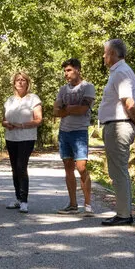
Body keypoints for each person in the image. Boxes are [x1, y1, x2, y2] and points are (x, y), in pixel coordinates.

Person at [98, 39, 135, 226]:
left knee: (118, 171)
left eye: (105, 52)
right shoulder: (122, 72)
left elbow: (129, 102)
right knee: (117, 170)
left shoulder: (121, 72)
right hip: (117, 124)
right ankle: (122, 212)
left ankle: (124, 214)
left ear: (112, 53)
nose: (103, 56)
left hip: (119, 125)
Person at [53, 58, 96, 215]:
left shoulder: (87, 87)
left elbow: (83, 109)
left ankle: (88, 205)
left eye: (69, 70)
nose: (66, 74)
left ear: (77, 69)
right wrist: (70, 109)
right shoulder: (63, 90)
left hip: (80, 131)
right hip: (64, 132)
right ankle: (73, 204)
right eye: (65, 71)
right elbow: (55, 111)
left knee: (81, 167)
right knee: (68, 167)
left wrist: (66, 109)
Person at [1, 71, 42, 213]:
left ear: (27, 83)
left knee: (21, 167)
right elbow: (3, 120)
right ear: (14, 83)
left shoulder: (33, 98)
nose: (20, 82)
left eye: (23, 79)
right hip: (11, 137)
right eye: (17, 80)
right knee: (14, 168)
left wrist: (22, 125)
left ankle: (24, 201)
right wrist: (6, 124)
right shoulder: (9, 100)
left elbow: (38, 119)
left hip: (26, 137)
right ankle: (18, 198)